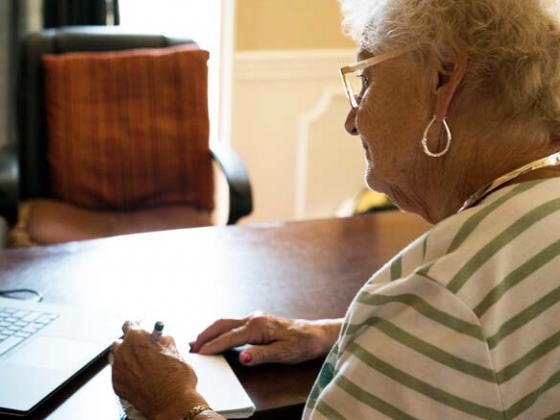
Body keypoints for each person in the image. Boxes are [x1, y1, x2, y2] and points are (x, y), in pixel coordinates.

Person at [110, 0, 560, 418]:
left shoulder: (441, 299)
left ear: (443, 78)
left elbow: (464, 323)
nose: (351, 119)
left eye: (366, 80)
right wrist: (345, 334)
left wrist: (172, 400)